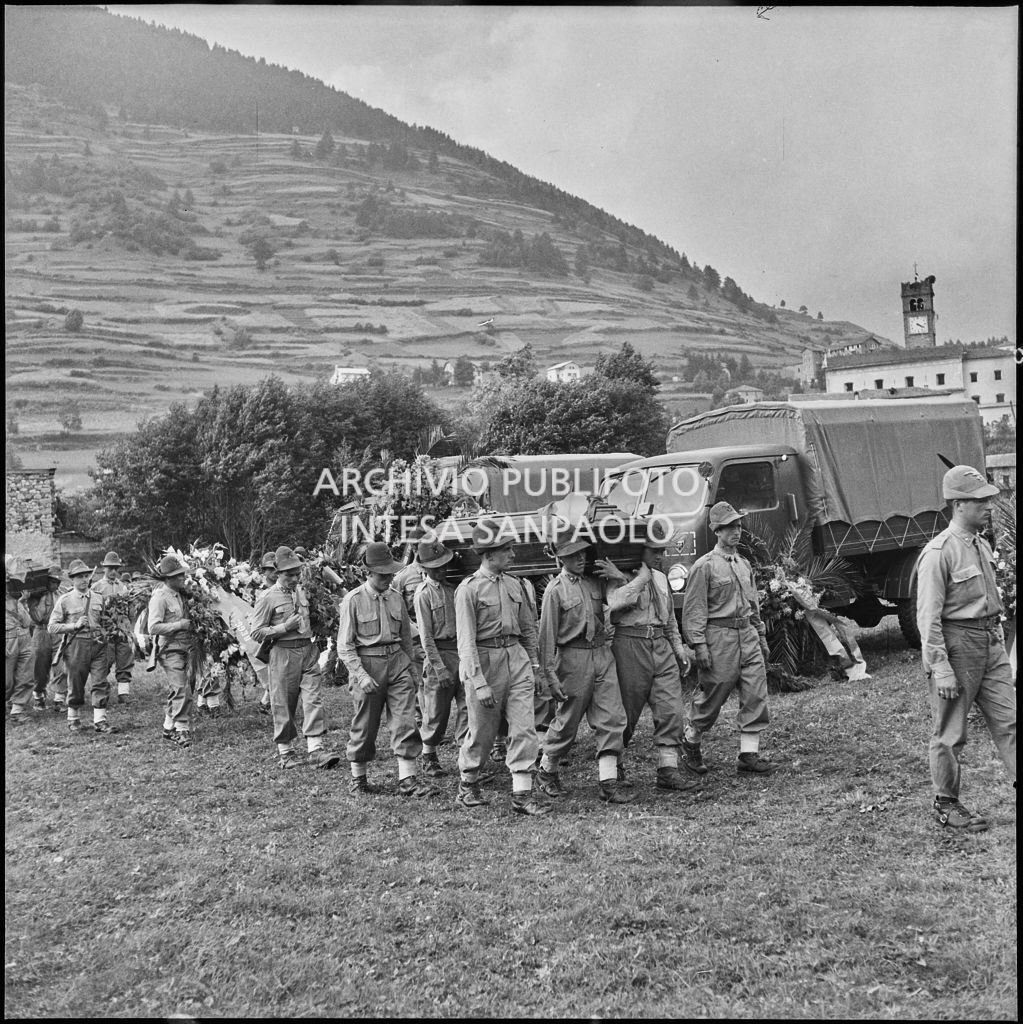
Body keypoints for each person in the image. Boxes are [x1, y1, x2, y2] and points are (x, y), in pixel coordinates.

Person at [916, 465, 1016, 832]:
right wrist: (939, 666)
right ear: (958, 504)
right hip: (959, 647)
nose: (989, 506)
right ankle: (946, 804)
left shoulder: (981, 544)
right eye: (980, 501)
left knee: (1010, 721)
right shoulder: (938, 552)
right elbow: (928, 618)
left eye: (989, 499)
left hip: (991, 642)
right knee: (951, 731)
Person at [454, 519, 551, 816]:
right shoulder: (468, 590)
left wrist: (535, 667)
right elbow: (466, 641)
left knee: (525, 726)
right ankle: (468, 785)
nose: (513, 555)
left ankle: (522, 795)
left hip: (516, 658)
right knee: (482, 732)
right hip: (484, 662)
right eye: (506, 550)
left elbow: (528, 629)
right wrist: (479, 682)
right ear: (489, 554)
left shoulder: (517, 585)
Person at [535, 536, 634, 804]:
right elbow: (546, 637)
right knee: (567, 720)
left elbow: (621, 599)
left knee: (612, 717)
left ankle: (608, 783)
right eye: (573, 554)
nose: (581, 559)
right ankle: (547, 770)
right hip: (572, 658)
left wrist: (619, 578)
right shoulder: (555, 590)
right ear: (561, 558)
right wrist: (548, 675)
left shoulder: (595, 582)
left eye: (583, 553)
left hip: (602, 654)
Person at [680, 502, 774, 775]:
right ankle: (691, 740)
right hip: (719, 637)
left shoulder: (744, 565)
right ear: (717, 531)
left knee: (756, 693)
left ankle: (748, 755)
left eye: (738, 526)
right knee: (714, 693)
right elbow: (694, 609)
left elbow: (752, 606)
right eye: (729, 527)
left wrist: (761, 637)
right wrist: (699, 645)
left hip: (747, 634)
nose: (736, 531)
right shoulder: (705, 566)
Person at [337, 542, 436, 796]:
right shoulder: (353, 600)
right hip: (368, 665)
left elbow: (406, 638)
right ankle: (358, 779)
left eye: (391, 574)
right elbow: (345, 646)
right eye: (382, 575)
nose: (388, 579)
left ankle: (408, 780)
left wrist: (412, 672)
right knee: (365, 724)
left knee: (405, 720)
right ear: (368, 573)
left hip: (397, 663)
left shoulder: (396, 598)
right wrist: (360, 675)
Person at [602, 531, 697, 791]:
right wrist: (637, 579)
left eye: (662, 551)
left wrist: (678, 650)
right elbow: (615, 602)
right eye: (654, 551)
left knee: (671, 708)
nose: (660, 556)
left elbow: (669, 621)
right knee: (626, 711)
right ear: (638, 551)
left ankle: (668, 770)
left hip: (661, 647)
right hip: (629, 645)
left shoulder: (662, 578)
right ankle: (614, 765)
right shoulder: (619, 574)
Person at [250, 546, 341, 770]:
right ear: (277, 573)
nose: (293, 578)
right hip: (283, 653)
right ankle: (286, 752)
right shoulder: (267, 597)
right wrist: (283, 627)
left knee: (313, 698)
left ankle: (316, 750)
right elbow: (256, 631)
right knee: (284, 703)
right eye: (288, 574)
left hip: (307, 652)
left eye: (296, 573)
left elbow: (315, 616)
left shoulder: (302, 591)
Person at [412, 538, 467, 778]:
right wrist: (439, 667)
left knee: (467, 707)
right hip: (439, 656)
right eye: (436, 567)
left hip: (459, 652)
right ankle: (429, 754)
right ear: (424, 568)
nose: (442, 570)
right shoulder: (423, 594)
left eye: (444, 565)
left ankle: (466, 756)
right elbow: (425, 637)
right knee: (436, 711)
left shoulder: (452, 589)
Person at [48, 560, 117, 734]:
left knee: (101, 681)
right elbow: (52, 626)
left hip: (98, 644)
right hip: (76, 644)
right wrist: (73, 626)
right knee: (76, 682)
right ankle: (73, 718)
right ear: (72, 579)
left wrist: (109, 628)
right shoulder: (65, 600)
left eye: (86, 576)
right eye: (79, 577)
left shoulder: (98, 598)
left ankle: (100, 721)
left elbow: (105, 620)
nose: (84, 580)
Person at [147, 553, 197, 747]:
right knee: (181, 688)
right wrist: (179, 625)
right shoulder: (159, 598)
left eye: (182, 575)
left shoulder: (181, 593)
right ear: (167, 579)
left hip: (185, 646)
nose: (182, 578)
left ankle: (168, 727)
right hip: (170, 649)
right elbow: (153, 628)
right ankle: (181, 729)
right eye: (178, 576)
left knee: (181, 687)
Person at [91, 551, 135, 706]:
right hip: (105, 630)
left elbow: (129, 609)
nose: (113, 572)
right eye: (110, 568)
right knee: (105, 661)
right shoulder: (97, 587)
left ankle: (123, 693)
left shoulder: (123, 587)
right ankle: (102, 691)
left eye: (116, 568)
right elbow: (93, 610)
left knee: (125, 658)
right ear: (104, 568)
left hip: (121, 629)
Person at [27, 565, 62, 711]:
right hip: (41, 632)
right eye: (52, 581)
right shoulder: (36, 596)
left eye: (57, 582)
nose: (55, 584)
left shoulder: (61, 594)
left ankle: (59, 699)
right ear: (47, 581)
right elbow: (36, 618)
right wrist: (34, 600)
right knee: (40, 667)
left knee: (60, 665)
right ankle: (39, 696)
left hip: (58, 632)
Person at [5, 561, 34, 725]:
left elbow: (27, 621)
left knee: (25, 675)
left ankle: (17, 710)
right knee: (7, 680)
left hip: (24, 638)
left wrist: (22, 602)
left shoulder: (16, 599)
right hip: (7, 640)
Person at [255, 551, 278, 716]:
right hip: (265, 635)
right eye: (270, 569)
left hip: (278, 633)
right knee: (271, 670)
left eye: (276, 568)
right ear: (264, 571)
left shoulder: (281, 588)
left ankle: (266, 701)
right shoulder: (258, 590)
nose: (274, 572)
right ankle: (267, 702)